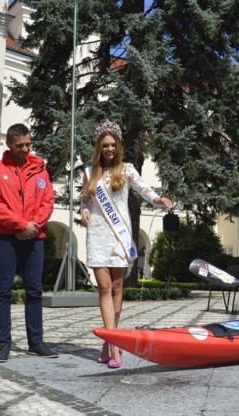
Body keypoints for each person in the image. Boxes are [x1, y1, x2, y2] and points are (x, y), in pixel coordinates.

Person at [80, 120, 173, 369]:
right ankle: (113, 345)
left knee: (117, 287)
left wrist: (157, 198)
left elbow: (143, 188)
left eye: (113, 145)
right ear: (99, 147)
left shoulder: (127, 169)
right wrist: (84, 212)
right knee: (104, 287)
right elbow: (85, 201)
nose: (109, 149)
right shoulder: (90, 173)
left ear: (118, 146)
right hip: (98, 234)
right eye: (105, 145)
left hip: (119, 235)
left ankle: (109, 342)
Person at [0, 123, 58, 363]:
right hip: (6, 238)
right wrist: (20, 226)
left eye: (28, 143)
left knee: (34, 291)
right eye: (20, 145)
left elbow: (47, 201)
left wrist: (32, 226)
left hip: (34, 237)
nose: (25, 149)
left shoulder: (40, 170)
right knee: (3, 291)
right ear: (9, 144)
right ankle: (3, 343)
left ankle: (36, 342)